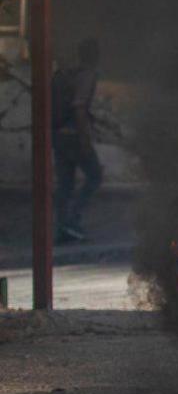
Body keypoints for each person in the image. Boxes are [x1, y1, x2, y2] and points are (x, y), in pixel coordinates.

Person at [51, 38, 104, 244]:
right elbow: (79, 107)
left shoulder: (65, 75)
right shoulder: (86, 76)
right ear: (94, 56)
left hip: (58, 135)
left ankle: (63, 226)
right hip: (74, 135)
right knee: (95, 176)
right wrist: (84, 138)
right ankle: (72, 220)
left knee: (65, 183)